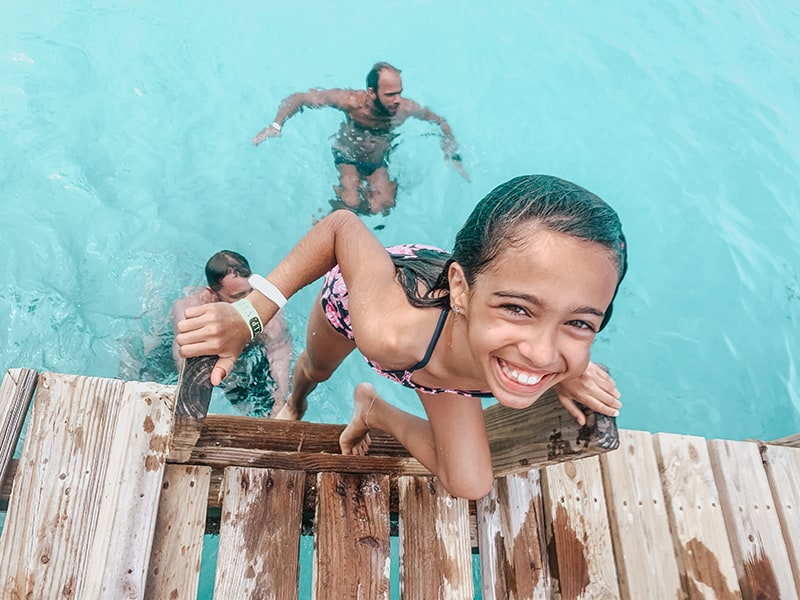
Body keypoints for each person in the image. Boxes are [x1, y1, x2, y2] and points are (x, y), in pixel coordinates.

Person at [176, 175, 628, 500]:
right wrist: (253, 311)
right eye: (517, 309)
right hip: (373, 299)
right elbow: (341, 228)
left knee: (470, 484)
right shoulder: (387, 332)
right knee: (314, 369)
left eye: (581, 323)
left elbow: (551, 346)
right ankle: (295, 402)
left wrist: (573, 370)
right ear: (463, 291)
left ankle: (372, 408)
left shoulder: (546, 355)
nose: (542, 352)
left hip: (456, 354)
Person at [252, 61, 469, 215]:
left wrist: (451, 151)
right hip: (348, 156)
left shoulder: (405, 109)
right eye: (390, 94)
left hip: (376, 162)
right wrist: (276, 125)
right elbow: (300, 98)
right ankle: (327, 218)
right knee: (350, 201)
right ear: (372, 92)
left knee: (383, 205)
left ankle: (349, 206)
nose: (397, 100)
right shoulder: (351, 102)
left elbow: (439, 121)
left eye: (399, 92)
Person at [171, 250, 292, 418]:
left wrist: (280, 400)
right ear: (213, 293)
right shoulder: (190, 309)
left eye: (251, 291)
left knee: (266, 410)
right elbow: (182, 355)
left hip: (248, 355)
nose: (249, 301)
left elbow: (280, 355)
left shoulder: (269, 314)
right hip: (208, 355)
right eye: (238, 297)